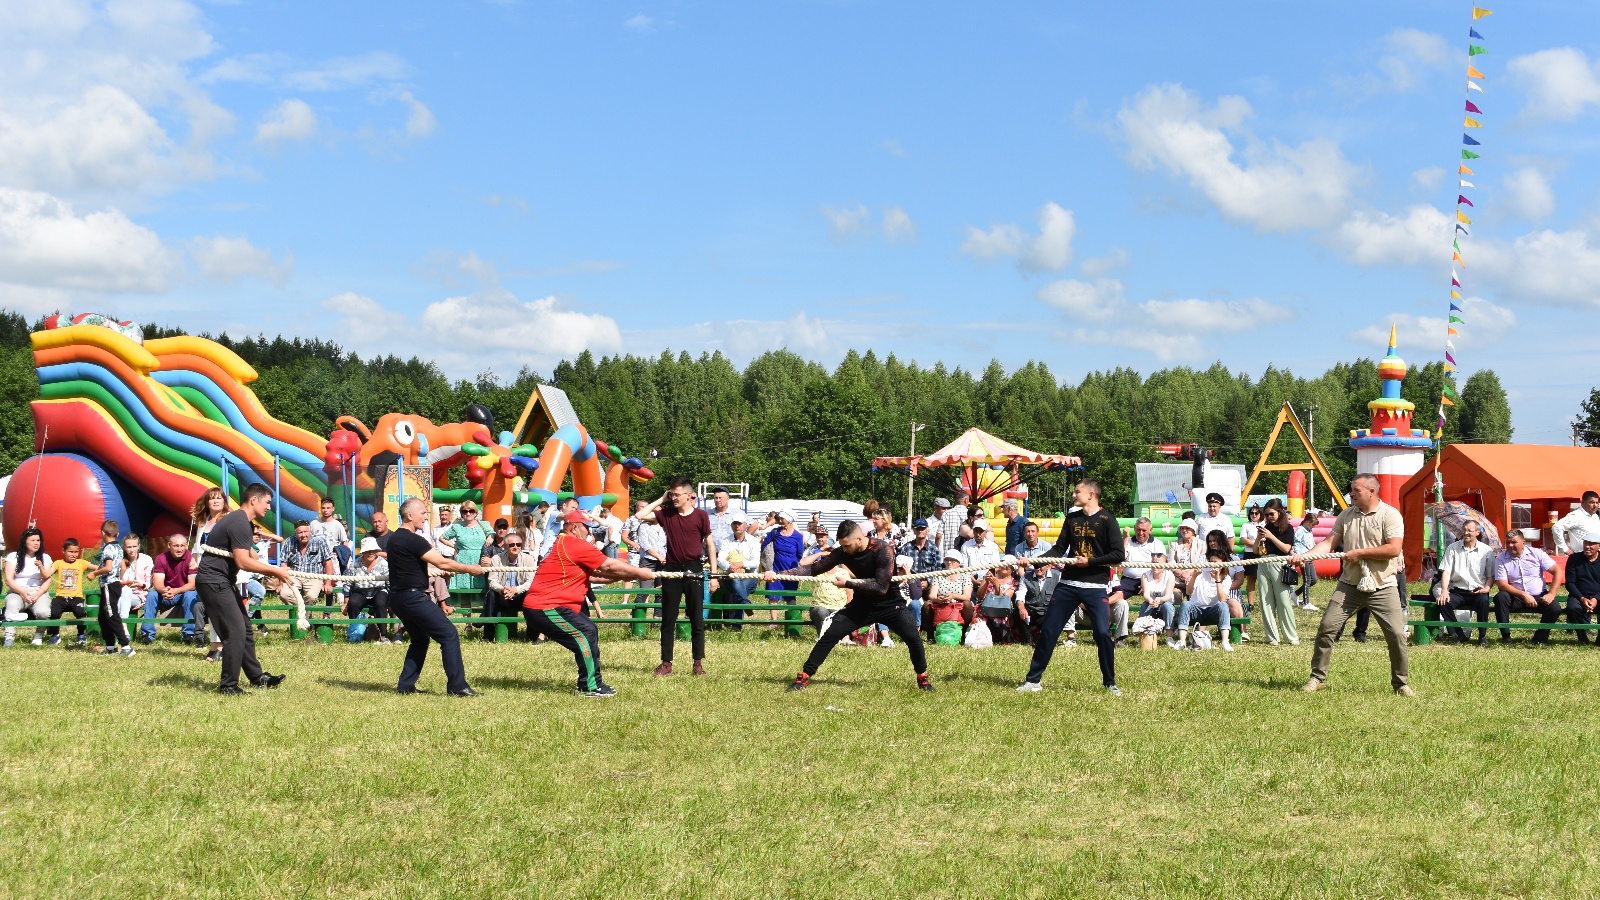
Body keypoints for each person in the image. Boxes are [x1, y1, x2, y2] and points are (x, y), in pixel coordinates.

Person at [767, 520, 934, 692]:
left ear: (859, 539)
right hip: (862, 605)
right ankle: (804, 676)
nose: (844, 550)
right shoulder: (843, 551)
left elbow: (881, 588)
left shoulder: (883, 549)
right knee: (830, 634)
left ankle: (923, 679)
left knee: (913, 637)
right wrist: (778, 574)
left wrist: (848, 583)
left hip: (890, 604)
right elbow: (813, 569)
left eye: (847, 545)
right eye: (842, 546)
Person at [1295, 474, 1413, 695]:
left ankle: (1401, 684)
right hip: (1349, 585)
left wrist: (1360, 553)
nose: (1351, 494)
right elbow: (1328, 543)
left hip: (1383, 586)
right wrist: (1305, 557)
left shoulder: (1390, 515)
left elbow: (1393, 549)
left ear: (1371, 492)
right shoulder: (1346, 515)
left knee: (1397, 635)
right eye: (1351, 490)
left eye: (1356, 490)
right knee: (1327, 628)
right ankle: (1317, 678)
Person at [521, 508, 656, 697]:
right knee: (585, 633)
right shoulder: (574, 544)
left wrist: (619, 576)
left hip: (548, 606)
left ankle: (589, 683)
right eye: (587, 528)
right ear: (574, 528)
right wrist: (641, 572)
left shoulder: (563, 543)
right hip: (546, 607)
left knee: (588, 630)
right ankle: (590, 686)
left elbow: (593, 576)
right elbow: (608, 565)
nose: (590, 532)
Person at [1017, 480, 1126, 695]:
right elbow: (1058, 549)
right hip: (1067, 585)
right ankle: (1033, 681)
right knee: (1049, 631)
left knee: (1103, 633)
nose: (1074, 494)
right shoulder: (1072, 518)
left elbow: (1118, 555)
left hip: (1095, 586)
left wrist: (1090, 562)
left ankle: (1110, 683)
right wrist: (1033, 561)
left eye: (1078, 491)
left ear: (1091, 495)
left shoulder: (1108, 519)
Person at [196, 483, 294, 693]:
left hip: (221, 580)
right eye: (267, 502)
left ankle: (257, 678)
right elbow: (242, 561)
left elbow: (249, 557)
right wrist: (276, 571)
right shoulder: (239, 521)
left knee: (245, 628)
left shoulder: (241, 522)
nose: (269, 507)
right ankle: (228, 685)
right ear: (254, 500)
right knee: (235, 631)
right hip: (214, 581)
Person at [388, 497, 487, 695]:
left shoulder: (394, 539)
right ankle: (457, 686)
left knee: (420, 639)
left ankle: (405, 686)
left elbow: (410, 568)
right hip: (414, 599)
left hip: (398, 599)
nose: (426, 517)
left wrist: (439, 572)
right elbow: (443, 562)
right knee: (449, 634)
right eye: (423, 513)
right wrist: (471, 568)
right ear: (410, 515)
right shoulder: (414, 540)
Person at [635, 477, 718, 676]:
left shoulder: (701, 516)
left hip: (694, 568)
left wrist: (714, 575)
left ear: (689, 496)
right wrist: (662, 499)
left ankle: (697, 663)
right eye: (671, 494)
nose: (674, 498)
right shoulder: (667, 514)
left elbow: (710, 545)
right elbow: (639, 515)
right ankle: (666, 663)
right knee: (668, 618)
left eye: (677, 495)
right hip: (672, 569)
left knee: (696, 618)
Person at [1492, 529, 1562, 644]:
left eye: (1514, 542)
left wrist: (1551, 594)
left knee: (1554, 608)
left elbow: (1557, 571)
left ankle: (1540, 638)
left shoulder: (1537, 553)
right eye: (1508, 542)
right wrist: (1524, 595)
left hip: (1539, 596)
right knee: (1500, 597)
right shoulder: (1501, 558)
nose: (1510, 545)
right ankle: (1506, 637)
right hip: (1516, 597)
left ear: (1523, 543)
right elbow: (1502, 585)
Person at [1433, 520, 1495, 645]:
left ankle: (1482, 636)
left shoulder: (1487, 551)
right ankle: (1458, 634)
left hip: (1477, 591)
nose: (1466, 533)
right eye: (1464, 530)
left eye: (1469, 531)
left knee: (1483, 601)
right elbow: (1446, 572)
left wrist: (1487, 588)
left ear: (1477, 532)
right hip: (1457, 590)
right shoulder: (1452, 548)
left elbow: (1491, 575)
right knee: (1443, 602)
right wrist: (1444, 591)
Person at [1254, 499, 1299, 646]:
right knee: (1265, 602)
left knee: (1283, 601)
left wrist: (1271, 537)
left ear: (1280, 512)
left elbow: (1286, 549)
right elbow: (1255, 550)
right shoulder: (1266, 527)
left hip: (1279, 564)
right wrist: (1259, 537)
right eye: (1266, 515)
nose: (1269, 517)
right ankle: (1272, 637)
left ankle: (1291, 637)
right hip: (1263, 563)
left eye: (1271, 514)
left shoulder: (1288, 528)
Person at [1173, 549, 1234, 651]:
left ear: (1223, 563)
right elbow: (1188, 592)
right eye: (1211, 562)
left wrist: (1217, 580)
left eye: (1216, 562)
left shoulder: (1226, 578)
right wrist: (1193, 577)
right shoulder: (1200, 574)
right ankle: (1182, 641)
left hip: (1212, 611)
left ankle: (1225, 642)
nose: (1213, 565)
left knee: (1223, 605)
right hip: (1196, 610)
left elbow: (1222, 598)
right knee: (1186, 604)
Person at [143, 534, 199, 644]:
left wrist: (175, 591)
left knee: (190, 595)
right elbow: (157, 582)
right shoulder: (161, 558)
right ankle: (147, 634)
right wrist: (164, 591)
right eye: (176, 546)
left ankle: (189, 634)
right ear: (169, 545)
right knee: (152, 595)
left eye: (182, 546)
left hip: (183, 594)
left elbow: (192, 584)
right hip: (166, 593)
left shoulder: (191, 558)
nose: (179, 549)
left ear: (186, 546)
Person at [4, 528, 54, 647]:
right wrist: (22, 592)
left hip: (38, 591)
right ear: (25, 541)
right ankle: (9, 637)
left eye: (38, 540)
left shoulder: (45, 557)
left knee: (44, 612)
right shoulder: (13, 557)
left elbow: (48, 579)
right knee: (11, 604)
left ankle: (38, 636)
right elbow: (9, 580)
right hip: (17, 591)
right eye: (32, 540)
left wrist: (37, 594)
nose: (36, 543)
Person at [436, 501, 491, 607]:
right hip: (462, 560)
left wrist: (490, 538)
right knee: (464, 592)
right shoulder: (457, 527)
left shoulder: (484, 525)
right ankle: (467, 617)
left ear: (475, 513)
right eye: (465, 511)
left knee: (483, 591)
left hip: (480, 560)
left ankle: (484, 615)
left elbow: (492, 533)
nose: (468, 513)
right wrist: (454, 546)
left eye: (471, 511)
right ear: (461, 513)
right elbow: (442, 538)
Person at [1014, 522, 1060, 646]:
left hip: (1047, 611)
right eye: (1036, 565)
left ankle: (1047, 637)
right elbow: (1020, 595)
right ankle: (1028, 639)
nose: (1038, 567)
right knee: (1017, 607)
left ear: (1048, 565)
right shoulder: (1025, 577)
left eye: (1041, 565)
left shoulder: (1057, 576)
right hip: (1032, 609)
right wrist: (1021, 608)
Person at [715, 513, 761, 631]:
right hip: (731, 576)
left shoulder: (753, 541)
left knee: (738, 588)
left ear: (745, 525)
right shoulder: (726, 541)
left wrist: (741, 564)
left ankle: (736, 625)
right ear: (731, 525)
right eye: (735, 523)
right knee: (737, 583)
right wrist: (730, 566)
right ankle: (744, 605)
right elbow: (720, 559)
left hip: (750, 576)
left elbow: (756, 562)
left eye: (739, 523)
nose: (737, 526)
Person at [282, 520, 338, 617]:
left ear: (310, 532)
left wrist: (328, 583)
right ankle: (304, 614)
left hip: (314, 576)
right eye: (300, 532)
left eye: (305, 532)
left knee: (311, 596)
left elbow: (328, 562)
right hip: (294, 575)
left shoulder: (320, 541)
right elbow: (283, 563)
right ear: (295, 533)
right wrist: (281, 583)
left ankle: (304, 619)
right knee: (284, 594)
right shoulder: (289, 541)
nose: (303, 535)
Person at [92, 520, 131, 655]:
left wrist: (94, 573)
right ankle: (110, 647)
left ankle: (126, 646)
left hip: (109, 585)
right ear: (117, 534)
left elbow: (108, 568)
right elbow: (123, 567)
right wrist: (117, 577)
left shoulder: (108, 549)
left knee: (111, 614)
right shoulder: (119, 548)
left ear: (102, 533)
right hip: (114, 584)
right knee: (103, 617)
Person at [343, 537, 391, 644]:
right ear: (363, 552)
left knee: (380, 602)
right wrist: (346, 602)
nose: (371, 553)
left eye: (373, 550)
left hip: (379, 590)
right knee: (353, 603)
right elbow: (348, 583)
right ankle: (356, 633)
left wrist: (391, 603)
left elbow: (389, 584)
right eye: (368, 550)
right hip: (361, 591)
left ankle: (383, 635)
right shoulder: (355, 564)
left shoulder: (384, 564)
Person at [45, 538, 92, 645]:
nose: (73, 554)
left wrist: (94, 573)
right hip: (61, 596)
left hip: (76, 597)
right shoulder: (58, 563)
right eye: (70, 551)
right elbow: (47, 574)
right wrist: (41, 567)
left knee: (81, 613)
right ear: (64, 551)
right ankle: (55, 634)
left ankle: (81, 634)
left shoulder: (81, 563)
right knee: (54, 612)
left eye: (76, 552)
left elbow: (97, 568)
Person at [761, 510, 806, 622]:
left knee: (790, 594)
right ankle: (774, 621)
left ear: (789, 520)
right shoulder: (775, 532)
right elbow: (764, 546)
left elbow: (799, 554)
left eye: (782, 518)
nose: (779, 520)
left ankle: (791, 619)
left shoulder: (797, 536)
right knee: (773, 594)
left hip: (791, 569)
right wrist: (767, 562)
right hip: (774, 568)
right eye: (779, 518)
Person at [925, 549, 974, 643]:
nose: (949, 562)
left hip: (958, 604)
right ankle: (930, 636)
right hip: (941, 604)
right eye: (947, 560)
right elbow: (932, 595)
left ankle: (964, 634)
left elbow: (967, 596)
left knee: (967, 604)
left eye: (952, 560)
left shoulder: (965, 575)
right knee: (926, 605)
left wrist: (953, 596)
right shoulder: (939, 574)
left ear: (958, 562)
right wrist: (938, 599)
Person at [1565, 529, 1600, 644]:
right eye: (1586, 543)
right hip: (1578, 596)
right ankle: (1582, 637)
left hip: (1598, 596)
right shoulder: (1574, 559)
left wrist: (1596, 599)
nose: (1587, 547)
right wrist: (1582, 598)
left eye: (1591, 544)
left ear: (1599, 546)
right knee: (1572, 608)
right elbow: (1570, 583)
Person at [977, 557, 1021, 643]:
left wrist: (997, 585)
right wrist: (986, 582)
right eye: (1003, 563)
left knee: (1001, 615)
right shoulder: (990, 575)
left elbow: (1003, 601)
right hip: (985, 607)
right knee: (979, 612)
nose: (1005, 566)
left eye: (1008, 565)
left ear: (1013, 569)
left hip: (1002, 609)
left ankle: (999, 637)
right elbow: (979, 597)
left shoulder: (1014, 583)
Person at [1139, 553, 1177, 635]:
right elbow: (1146, 594)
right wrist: (1150, 600)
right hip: (1151, 603)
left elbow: (1168, 595)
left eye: (1157, 563)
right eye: (1153, 563)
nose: (1155, 566)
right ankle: (1143, 634)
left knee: (1168, 606)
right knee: (1144, 606)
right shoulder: (1145, 575)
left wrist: (1159, 599)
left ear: (1164, 565)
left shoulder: (1170, 575)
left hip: (1165, 603)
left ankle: (1169, 636)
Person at [1553, 491, 1600, 556]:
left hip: (1594, 556)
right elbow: (1556, 527)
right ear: (1583, 503)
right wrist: (1565, 549)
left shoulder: (1595, 516)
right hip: (1580, 556)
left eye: (1597, 503)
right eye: (1591, 502)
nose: (1595, 505)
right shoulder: (1576, 515)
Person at [1292, 510, 1322, 611]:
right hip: (1303, 557)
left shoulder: (1309, 531)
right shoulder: (1300, 530)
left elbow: (1311, 543)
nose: (1313, 527)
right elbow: (1296, 544)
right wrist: (1299, 556)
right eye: (1312, 525)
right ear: (1307, 522)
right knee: (1307, 580)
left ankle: (1295, 594)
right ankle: (1306, 602)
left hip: (1310, 557)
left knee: (1313, 580)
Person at [1169, 520, 1204, 599]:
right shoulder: (1174, 544)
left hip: (1196, 579)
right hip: (1178, 580)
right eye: (1182, 528)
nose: (1184, 530)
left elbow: (1202, 563)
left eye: (1187, 528)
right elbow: (1171, 562)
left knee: (1195, 596)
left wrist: (1189, 574)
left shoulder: (1202, 544)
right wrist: (1181, 574)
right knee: (1175, 595)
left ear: (1193, 530)